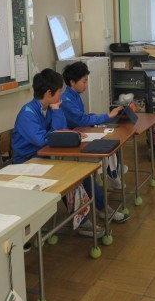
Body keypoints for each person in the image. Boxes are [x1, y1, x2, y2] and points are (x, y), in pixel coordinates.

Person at [11, 68, 129, 236]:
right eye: (59, 91)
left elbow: (59, 132)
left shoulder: (47, 107)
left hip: (47, 156)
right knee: (70, 177)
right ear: (49, 93)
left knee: (83, 173)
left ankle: (102, 207)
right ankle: (82, 222)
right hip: (29, 162)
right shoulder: (28, 113)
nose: (61, 95)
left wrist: (61, 124)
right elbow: (45, 139)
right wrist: (57, 112)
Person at [60, 61, 126, 190]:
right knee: (107, 143)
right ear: (72, 82)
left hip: (80, 132)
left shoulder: (75, 95)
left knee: (112, 140)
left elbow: (81, 117)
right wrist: (107, 116)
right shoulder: (66, 100)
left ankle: (114, 169)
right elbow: (81, 120)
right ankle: (112, 172)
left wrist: (96, 116)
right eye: (84, 81)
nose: (86, 84)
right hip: (74, 138)